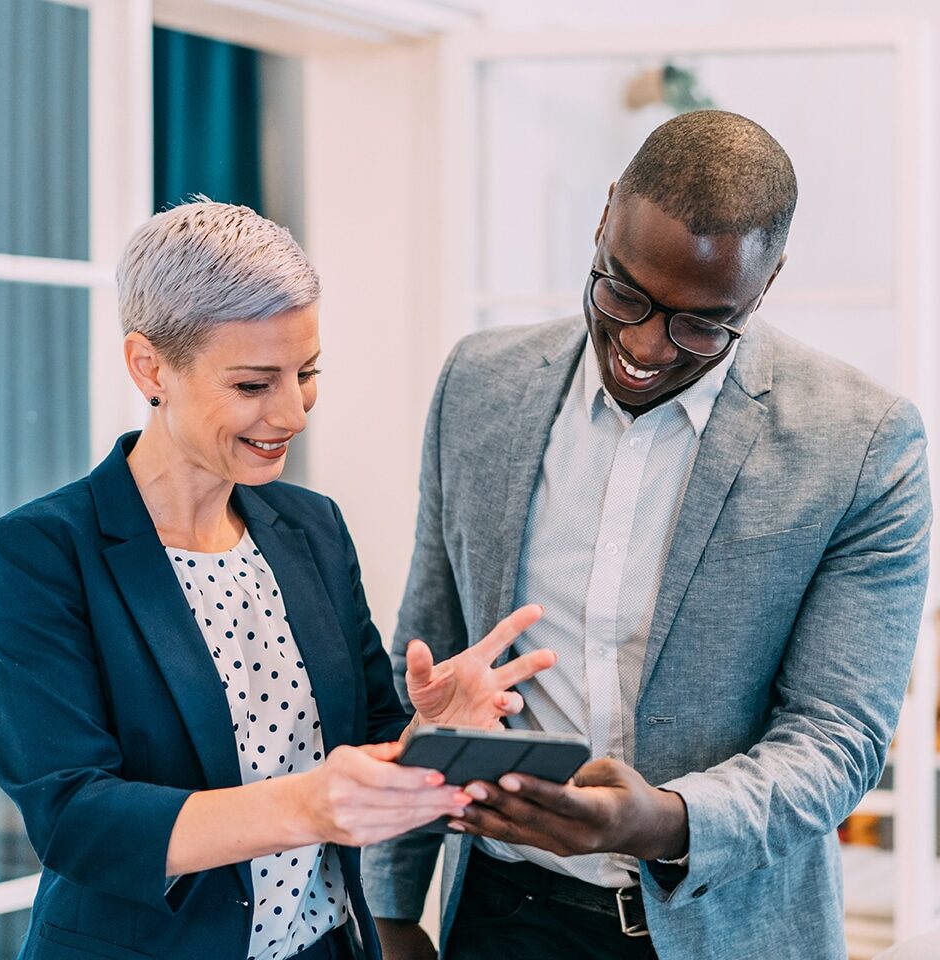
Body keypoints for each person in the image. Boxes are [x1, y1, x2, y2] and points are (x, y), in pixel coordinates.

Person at [361, 110, 931, 960]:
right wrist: (392, 909)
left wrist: (661, 821)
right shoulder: (479, 386)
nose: (642, 345)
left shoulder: (862, 444)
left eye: (701, 323)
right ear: (602, 220)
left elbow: (836, 736)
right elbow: (434, 662)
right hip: (503, 915)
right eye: (620, 290)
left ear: (766, 285)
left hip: (728, 926)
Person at [0, 200, 557, 960]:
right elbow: (76, 819)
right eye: (254, 384)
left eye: (307, 373)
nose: (293, 411)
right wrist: (306, 807)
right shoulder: (40, 554)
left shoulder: (311, 528)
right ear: (150, 367)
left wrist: (430, 736)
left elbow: (365, 749)